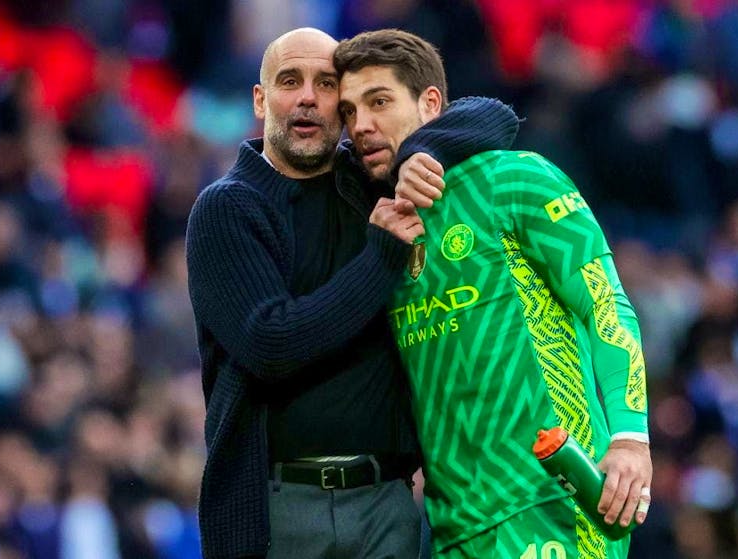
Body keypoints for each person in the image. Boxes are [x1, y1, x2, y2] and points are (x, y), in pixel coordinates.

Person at [185, 28, 514, 559]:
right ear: (260, 98)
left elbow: (493, 115)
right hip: (278, 513)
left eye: (327, 82)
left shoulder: (371, 181)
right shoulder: (227, 209)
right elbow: (271, 344)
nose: (309, 96)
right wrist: (381, 256)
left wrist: (419, 152)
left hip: (387, 505)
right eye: (290, 81)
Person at [333, 29, 653, 558]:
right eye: (348, 111)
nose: (361, 124)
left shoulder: (515, 179)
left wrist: (629, 439)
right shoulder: (381, 233)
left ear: (430, 103)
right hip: (453, 528)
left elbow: (606, 305)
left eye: (379, 101)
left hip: (551, 504)